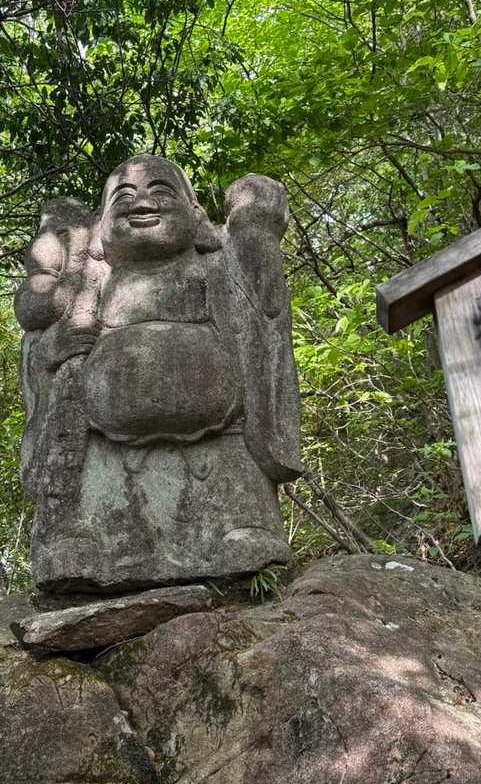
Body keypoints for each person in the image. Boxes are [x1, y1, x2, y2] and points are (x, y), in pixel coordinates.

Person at [16, 155, 301, 595]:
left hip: (219, 438)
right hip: (106, 442)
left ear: (195, 215)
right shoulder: (91, 285)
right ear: (101, 225)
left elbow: (262, 312)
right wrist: (57, 346)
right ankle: (84, 540)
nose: (142, 202)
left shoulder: (216, 268)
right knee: (89, 505)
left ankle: (244, 527)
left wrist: (256, 227)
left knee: (240, 518)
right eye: (124, 195)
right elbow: (40, 345)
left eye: (161, 191)